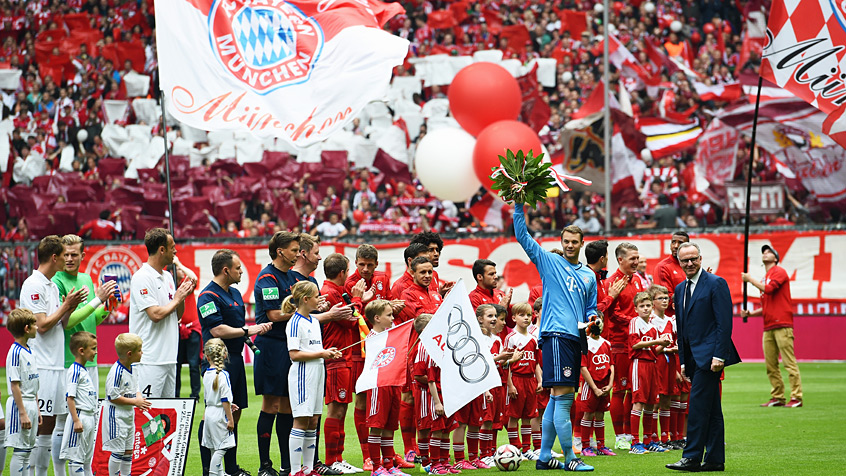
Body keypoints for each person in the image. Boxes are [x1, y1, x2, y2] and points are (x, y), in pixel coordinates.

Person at [513, 202, 596, 472]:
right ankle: (571, 459)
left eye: (574, 242)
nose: (570, 245)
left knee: (555, 399)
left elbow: (591, 309)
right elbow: (522, 237)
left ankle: (545, 456)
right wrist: (518, 206)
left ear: (582, 243)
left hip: (574, 339)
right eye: (566, 241)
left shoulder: (589, 275)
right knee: (565, 398)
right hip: (556, 336)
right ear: (561, 242)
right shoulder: (550, 261)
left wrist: (596, 320)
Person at [666, 242, 740, 473]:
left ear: (700, 258)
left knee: (697, 407)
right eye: (685, 260)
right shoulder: (680, 289)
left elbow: (724, 323)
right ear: (679, 262)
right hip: (694, 358)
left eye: (693, 259)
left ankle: (692, 457)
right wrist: (684, 361)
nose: (689, 263)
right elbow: (683, 327)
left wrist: (719, 355)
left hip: (711, 357)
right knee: (712, 409)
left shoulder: (716, 283)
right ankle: (715, 459)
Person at [197, 249, 272, 476]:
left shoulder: (236, 294)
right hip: (217, 362)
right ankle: (207, 468)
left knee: (234, 414)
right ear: (226, 270)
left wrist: (247, 336)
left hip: (236, 360)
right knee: (216, 415)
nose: (241, 272)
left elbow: (237, 329)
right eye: (238, 268)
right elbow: (217, 329)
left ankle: (230, 468)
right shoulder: (207, 296)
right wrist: (248, 329)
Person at [21, 235, 86, 476]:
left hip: (56, 364)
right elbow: (42, 325)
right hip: (42, 365)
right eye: (64, 255)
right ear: (54, 257)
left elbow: (62, 322)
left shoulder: (50, 284)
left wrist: (72, 305)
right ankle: (37, 472)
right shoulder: (33, 284)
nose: (68, 259)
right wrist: (65, 304)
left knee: (58, 422)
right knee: (43, 426)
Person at [253, 231, 301, 476]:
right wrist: (302, 312)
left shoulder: (292, 276)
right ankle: (264, 465)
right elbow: (273, 315)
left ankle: (286, 465)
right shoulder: (267, 277)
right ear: (280, 251)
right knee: (270, 404)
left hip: (289, 345)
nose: (297, 254)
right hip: (271, 346)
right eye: (294, 250)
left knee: (288, 406)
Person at [128, 228, 196, 399]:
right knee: (148, 415)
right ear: (162, 250)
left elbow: (176, 315)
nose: (176, 251)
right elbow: (155, 315)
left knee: (166, 416)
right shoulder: (142, 277)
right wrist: (176, 299)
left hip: (169, 358)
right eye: (172, 247)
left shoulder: (167, 276)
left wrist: (181, 297)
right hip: (149, 359)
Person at [284, 281, 342, 476]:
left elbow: (316, 350)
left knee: (314, 420)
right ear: (306, 299)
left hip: (318, 372)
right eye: (317, 296)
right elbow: (294, 354)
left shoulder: (315, 321)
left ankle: (308, 469)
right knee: (301, 419)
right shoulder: (294, 322)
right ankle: (294, 471)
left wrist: (327, 353)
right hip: (303, 373)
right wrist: (321, 354)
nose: (320, 299)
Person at [321, 253, 370, 474]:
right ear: (343, 273)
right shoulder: (330, 294)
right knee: (336, 410)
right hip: (337, 358)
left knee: (341, 410)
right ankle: (332, 460)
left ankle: (337, 458)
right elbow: (350, 320)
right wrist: (358, 298)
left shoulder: (335, 292)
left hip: (344, 358)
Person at [54, 234, 118, 394]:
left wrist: (108, 305)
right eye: (66, 254)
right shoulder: (57, 281)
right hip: (69, 360)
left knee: (90, 412)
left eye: (74, 254)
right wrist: (98, 300)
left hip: (90, 359)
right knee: (68, 416)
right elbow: (65, 322)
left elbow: (91, 319)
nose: (69, 259)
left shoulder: (86, 278)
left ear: (82, 256)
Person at [741, 244, 803, 408]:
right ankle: (778, 396)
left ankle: (796, 397)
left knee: (789, 363)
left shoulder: (779, 272)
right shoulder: (766, 276)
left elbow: (768, 290)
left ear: (775, 258)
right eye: (764, 252)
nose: (765, 254)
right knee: (771, 364)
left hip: (782, 323)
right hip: (768, 326)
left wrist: (750, 279)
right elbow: (767, 304)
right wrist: (751, 314)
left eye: (769, 252)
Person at [605, 242, 647, 451]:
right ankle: (620, 435)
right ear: (620, 260)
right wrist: (634, 321)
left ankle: (631, 433)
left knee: (634, 391)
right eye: (632, 258)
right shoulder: (612, 283)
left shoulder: (639, 280)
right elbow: (612, 314)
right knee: (620, 390)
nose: (636, 262)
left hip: (638, 344)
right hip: (620, 343)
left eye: (637, 258)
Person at [363, 300, 411, 476]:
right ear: (377, 318)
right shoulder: (372, 339)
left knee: (390, 427)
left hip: (393, 385)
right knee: (377, 426)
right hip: (379, 386)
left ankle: (389, 466)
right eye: (389, 315)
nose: (392, 318)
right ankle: (376, 468)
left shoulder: (391, 335)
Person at [102, 333, 152, 476]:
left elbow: (135, 388)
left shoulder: (133, 368)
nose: (142, 353)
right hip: (116, 416)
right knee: (118, 451)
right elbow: (112, 396)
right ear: (130, 354)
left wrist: (139, 398)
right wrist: (135, 402)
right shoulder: (116, 372)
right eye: (139, 350)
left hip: (129, 415)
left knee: (128, 451)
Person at [627, 292, 671, 455]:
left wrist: (665, 344)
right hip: (640, 365)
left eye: (647, 306)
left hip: (652, 365)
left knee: (652, 403)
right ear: (636, 309)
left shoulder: (653, 327)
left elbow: (654, 350)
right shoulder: (634, 322)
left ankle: (648, 441)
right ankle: (634, 442)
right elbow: (635, 345)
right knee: (638, 401)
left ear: (652, 307)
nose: (645, 309)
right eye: (642, 306)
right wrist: (657, 342)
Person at [4, 308, 41, 476]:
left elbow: (33, 382)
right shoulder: (15, 352)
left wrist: (37, 408)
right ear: (27, 328)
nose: (37, 327)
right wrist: (23, 413)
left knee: (27, 451)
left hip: (31, 404)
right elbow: (14, 386)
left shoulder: (29, 350)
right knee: (20, 451)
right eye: (34, 324)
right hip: (21, 406)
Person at [505, 303, 542, 460]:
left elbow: (537, 363)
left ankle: (527, 448)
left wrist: (540, 380)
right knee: (514, 416)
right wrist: (510, 385)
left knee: (528, 415)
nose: (526, 318)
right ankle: (515, 448)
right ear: (513, 318)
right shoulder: (511, 338)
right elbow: (505, 364)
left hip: (530, 381)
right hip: (517, 379)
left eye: (528, 315)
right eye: (522, 315)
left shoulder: (534, 338)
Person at [60, 331, 98, 476]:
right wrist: (76, 420)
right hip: (80, 416)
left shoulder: (83, 370)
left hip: (88, 417)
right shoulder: (74, 371)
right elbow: (70, 397)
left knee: (86, 459)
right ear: (81, 351)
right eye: (93, 348)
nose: (96, 352)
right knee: (76, 458)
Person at [648, 284, 682, 449]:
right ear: (653, 302)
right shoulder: (650, 321)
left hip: (670, 362)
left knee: (667, 399)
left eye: (666, 298)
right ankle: (653, 438)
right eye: (660, 298)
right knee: (656, 400)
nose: (664, 301)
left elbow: (674, 341)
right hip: (657, 362)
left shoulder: (670, 321)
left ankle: (665, 437)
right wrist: (667, 348)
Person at [577, 317, 615, 457]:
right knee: (588, 414)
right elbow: (583, 367)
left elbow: (611, 364)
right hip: (591, 385)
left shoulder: (606, 343)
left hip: (605, 385)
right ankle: (585, 446)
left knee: (600, 415)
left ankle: (601, 446)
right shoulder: (585, 344)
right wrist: (594, 388)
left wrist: (610, 384)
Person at [202, 338, 237, 476]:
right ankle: (213, 473)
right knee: (222, 447)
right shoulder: (223, 375)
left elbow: (209, 396)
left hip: (209, 412)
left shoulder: (206, 373)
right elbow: (224, 399)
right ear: (225, 354)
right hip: (219, 414)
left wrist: (228, 404)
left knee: (213, 447)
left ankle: (220, 473)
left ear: (207, 356)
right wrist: (230, 419)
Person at [468, 259, 513, 341]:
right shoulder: (474, 297)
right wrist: (501, 309)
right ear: (479, 277)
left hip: (503, 345)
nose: (496, 277)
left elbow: (511, 323)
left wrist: (508, 309)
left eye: (495, 273)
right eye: (491, 274)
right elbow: (478, 326)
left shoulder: (500, 294)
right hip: (487, 346)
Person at [176, 266, 202, 401]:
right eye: (178, 269)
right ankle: (175, 395)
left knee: (194, 364)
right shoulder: (170, 286)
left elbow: (194, 277)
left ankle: (195, 395)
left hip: (192, 330)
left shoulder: (186, 285)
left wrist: (178, 263)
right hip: (177, 331)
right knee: (176, 365)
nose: (181, 271)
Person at [653, 231, 690, 318]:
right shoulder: (662, 267)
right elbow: (664, 299)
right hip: (671, 321)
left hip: (688, 318)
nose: (676, 246)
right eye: (673, 242)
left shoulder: (690, 265)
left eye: (680, 243)